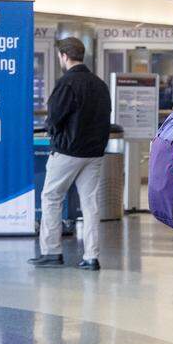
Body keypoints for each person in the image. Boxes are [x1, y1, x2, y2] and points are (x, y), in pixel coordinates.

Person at [28, 37, 112, 271]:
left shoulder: (66, 84)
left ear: (64, 56)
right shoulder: (99, 84)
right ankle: (91, 257)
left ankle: (51, 251)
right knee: (90, 204)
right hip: (94, 153)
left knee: (52, 197)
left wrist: (54, 134)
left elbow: (54, 118)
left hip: (67, 151)